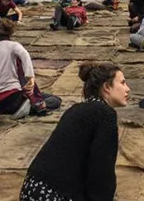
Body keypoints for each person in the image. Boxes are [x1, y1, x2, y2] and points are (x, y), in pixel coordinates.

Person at [21, 62, 129, 201]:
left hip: (31, 188)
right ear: (107, 87)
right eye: (123, 83)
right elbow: (102, 173)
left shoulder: (77, 108)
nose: (128, 89)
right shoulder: (105, 114)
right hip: (52, 194)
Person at [0, 19, 53, 118]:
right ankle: (31, 107)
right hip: (12, 99)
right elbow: (25, 55)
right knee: (54, 100)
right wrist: (30, 78)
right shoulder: (13, 46)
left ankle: (28, 107)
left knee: (42, 97)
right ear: (11, 33)